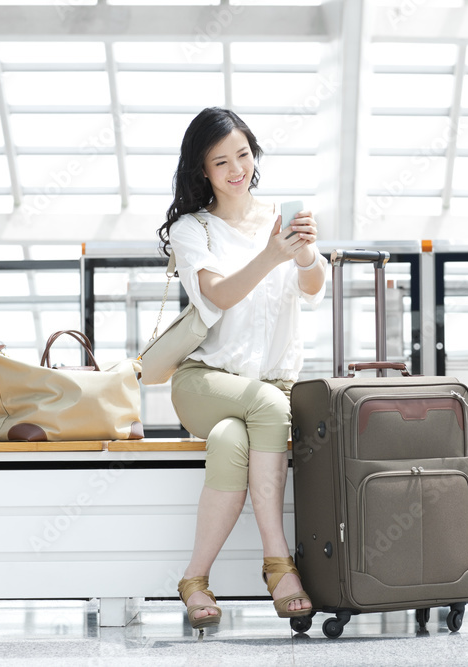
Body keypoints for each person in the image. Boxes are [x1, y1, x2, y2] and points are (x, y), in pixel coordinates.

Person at [157, 107, 326, 630]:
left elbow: (315, 286)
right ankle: (278, 565)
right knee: (267, 404)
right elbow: (217, 295)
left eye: (244, 155)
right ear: (201, 171)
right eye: (220, 161)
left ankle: (193, 579)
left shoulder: (281, 218)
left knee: (232, 440)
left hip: (267, 388)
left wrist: (304, 254)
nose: (236, 170)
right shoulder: (193, 229)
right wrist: (273, 256)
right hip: (204, 381)